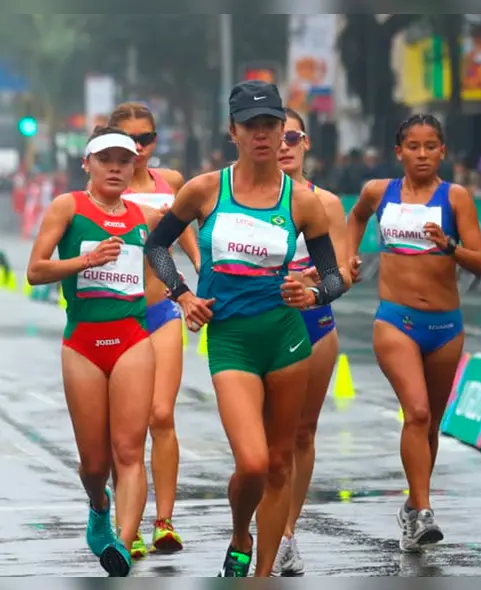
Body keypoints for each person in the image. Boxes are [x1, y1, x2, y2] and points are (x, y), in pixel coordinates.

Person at [143, 80, 348, 577]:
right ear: (233, 131)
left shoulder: (302, 202)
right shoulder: (206, 189)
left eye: (271, 126)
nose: (262, 135)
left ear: (283, 132)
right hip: (231, 340)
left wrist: (314, 293)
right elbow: (155, 247)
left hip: (286, 338)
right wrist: (184, 295)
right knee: (253, 463)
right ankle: (240, 533)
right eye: (251, 126)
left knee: (280, 465)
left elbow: (335, 276)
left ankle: (261, 575)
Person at [346, 114, 481, 552]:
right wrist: (346, 256)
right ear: (399, 152)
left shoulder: (456, 197)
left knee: (430, 426)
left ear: (442, 151)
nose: (422, 154)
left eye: (430, 147)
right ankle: (424, 511)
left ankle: (412, 507)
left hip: (446, 326)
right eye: (413, 146)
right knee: (418, 412)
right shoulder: (379, 191)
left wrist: (449, 245)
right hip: (395, 320)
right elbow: (354, 218)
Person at [26, 127, 163, 577]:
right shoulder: (68, 206)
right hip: (83, 342)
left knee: (129, 451)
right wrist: (86, 260)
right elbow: (35, 271)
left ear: (134, 166)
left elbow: (178, 248)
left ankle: (122, 546)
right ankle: (98, 504)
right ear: (88, 164)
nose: (116, 168)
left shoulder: (144, 217)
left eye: (124, 161)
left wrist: (186, 292)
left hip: (132, 338)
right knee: (94, 463)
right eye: (106, 160)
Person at [107, 102, 199, 559]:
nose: (140, 148)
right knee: (128, 429)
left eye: (147, 139)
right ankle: (130, 524)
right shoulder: (102, 190)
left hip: (162, 310)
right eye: (130, 140)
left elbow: (184, 232)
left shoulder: (173, 183)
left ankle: (165, 521)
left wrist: (203, 267)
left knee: (162, 415)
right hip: (120, 316)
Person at [269, 108, 353, 576]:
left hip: (314, 322)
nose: (283, 145)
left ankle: (286, 535)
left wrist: (311, 282)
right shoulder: (246, 198)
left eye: (293, 137)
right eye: (274, 136)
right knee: (263, 440)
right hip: (259, 324)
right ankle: (259, 524)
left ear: (306, 144)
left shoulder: (328, 203)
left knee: (301, 432)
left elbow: (337, 272)